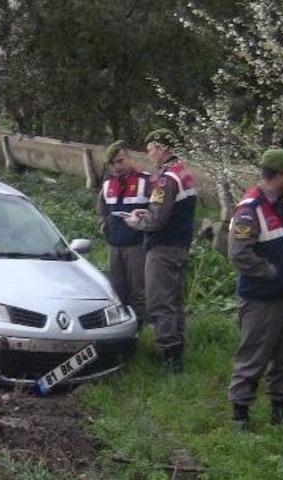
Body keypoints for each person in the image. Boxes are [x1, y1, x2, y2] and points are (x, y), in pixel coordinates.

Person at [227, 148, 283, 430]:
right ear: (279, 176)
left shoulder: (282, 206)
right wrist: (272, 274)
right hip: (261, 300)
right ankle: (240, 415)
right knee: (253, 357)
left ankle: (280, 410)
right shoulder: (250, 210)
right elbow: (239, 255)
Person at [124, 129, 197, 373]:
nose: (149, 155)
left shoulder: (165, 180)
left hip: (162, 248)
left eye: (150, 150)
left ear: (161, 147)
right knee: (175, 301)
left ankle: (170, 356)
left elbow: (157, 221)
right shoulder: (184, 173)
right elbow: (173, 211)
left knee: (159, 302)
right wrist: (149, 212)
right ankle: (179, 348)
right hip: (180, 245)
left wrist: (137, 221)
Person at [96, 140, 150, 327]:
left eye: (120, 161)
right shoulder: (107, 184)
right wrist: (103, 223)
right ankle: (121, 326)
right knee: (117, 288)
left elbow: (159, 210)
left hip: (137, 245)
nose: (117, 166)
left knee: (138, 289)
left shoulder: (146, 181)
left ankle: (139, 327)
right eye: (112, 163)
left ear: (129, 158)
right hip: (114, 245)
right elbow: (101, 207)